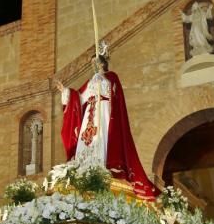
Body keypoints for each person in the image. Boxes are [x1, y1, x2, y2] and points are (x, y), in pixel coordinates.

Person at [55, 53, 158, 199]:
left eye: (95, 62)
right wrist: (66, 92)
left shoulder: (111, 77)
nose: (93, 66)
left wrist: (102, 80)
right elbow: (79, 98)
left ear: (102, 63)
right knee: (87, 139)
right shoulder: (90, 81)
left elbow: (115, 95)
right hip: (90, 112)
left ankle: (102, 166)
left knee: (102, 136)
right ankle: (84, 168)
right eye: (91, 63)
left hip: (104, 112)